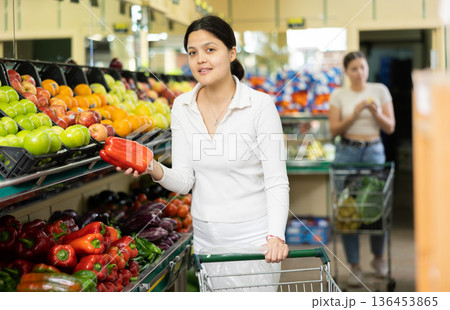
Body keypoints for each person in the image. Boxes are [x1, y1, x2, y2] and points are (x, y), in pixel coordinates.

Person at [119, 15, 290, 291]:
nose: (201, 59)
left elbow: (276, 180)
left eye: (210, 50)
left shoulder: (259, 106)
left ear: (231, 53)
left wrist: (276, 236)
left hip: (254, 239)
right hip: (206, 240)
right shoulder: (182, 107)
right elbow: (186, 180)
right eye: (193, 52)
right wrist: (151, 166)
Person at [328, 51, 395, 286]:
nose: (360, 73)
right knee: (349, 210)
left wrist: (375, 112)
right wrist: (355, 114)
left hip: (374, 151)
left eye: (363, 67)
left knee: (376, 208)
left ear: (367, 68)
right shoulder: (338, 94)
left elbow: (390, 127)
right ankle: (354, 265)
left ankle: (378, 259)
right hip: (347, 153)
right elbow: (334, 130)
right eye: (354, 69)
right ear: (346, 72)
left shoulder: (380, 91)